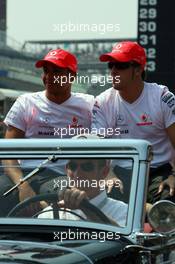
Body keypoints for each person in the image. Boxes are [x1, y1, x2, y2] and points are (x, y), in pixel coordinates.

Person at [0, 49, 94, 216]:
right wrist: (23, 185)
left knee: (70, 195)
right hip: (23, 173)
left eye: (56, 71)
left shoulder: (88, 105)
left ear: (72, 76)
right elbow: (8, 154)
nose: (49, 76)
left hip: (60, 176)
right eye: (46, 71)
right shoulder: (26, 102)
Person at [91, 41, 175, 204]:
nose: (113, 71)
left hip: (157, 171)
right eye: (111, 65)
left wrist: (174, 176)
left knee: (168, 199)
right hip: (120, 172)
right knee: (104, 198)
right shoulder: (102, 102)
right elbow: (97, 147)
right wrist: (108, 175)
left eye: (120, 65)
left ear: (138, 69)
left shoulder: (162, 98)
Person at [38, 158, 128, 227]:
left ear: (104, 172)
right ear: (66, 170)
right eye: (73, 166)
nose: (77, 173)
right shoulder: (49, 213)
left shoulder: (122, 211)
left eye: (87, 167)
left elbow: (123, 241)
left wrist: (86, 207)